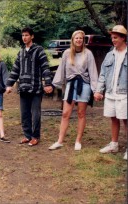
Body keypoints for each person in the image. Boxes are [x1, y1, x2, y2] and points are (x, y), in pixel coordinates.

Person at [48, 30, 98, 151]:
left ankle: (78, 140)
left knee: (81, 113)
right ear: (73, 40)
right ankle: (60, 141)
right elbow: (61, 70)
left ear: (83, 40)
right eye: (76, 38)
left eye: (81, 38)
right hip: (71, 85)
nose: (78, 40)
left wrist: (96, 90)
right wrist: (53, 85)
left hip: (84, 85)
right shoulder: (67, 53)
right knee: (65, 113)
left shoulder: (88, 54)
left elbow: (92, 72)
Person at [6, 27, 53, 146]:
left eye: (26, 35)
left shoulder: (39, 50)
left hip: (36, 88)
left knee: (35, 114)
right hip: (23, 88)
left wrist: (47, 83)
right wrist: (9, 84)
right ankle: (27, 135)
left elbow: (45, 68)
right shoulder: (21, 52)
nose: (24, 38)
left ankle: (35, 136)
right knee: (24, 114)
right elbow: (15, 70)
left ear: (32, 36)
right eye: (23, 35)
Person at [94, 25, 127, 160]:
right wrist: (99, 90)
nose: (113, 40)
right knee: (113, 118)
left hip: (124, 93)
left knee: (125, 120)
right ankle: (114, 144)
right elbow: (102, 74)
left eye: (116, 38)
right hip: (110, 93)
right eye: (112, 38)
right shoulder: (109, 55)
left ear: (123, 38)